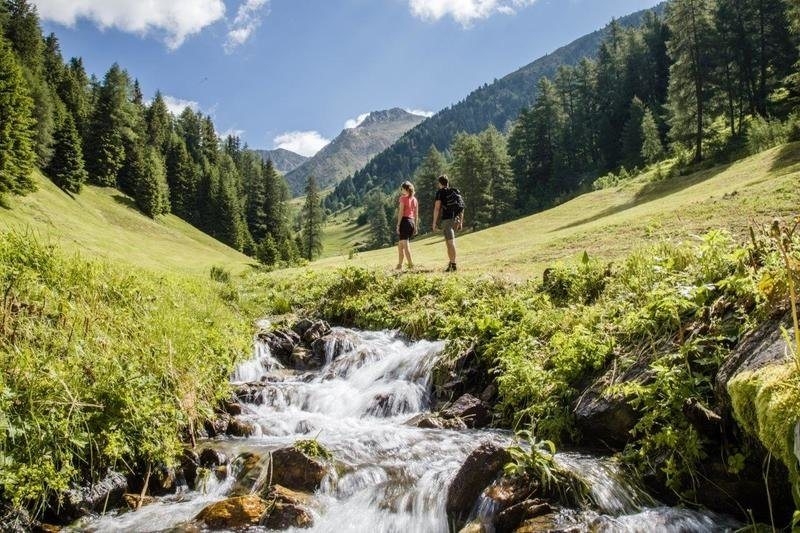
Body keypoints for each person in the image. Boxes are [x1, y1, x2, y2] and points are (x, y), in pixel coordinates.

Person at [432, 174, 463, 272]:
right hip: (455, 219)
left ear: (440, 183)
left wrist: (434, 223)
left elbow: (437, 208)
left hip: (447, 220)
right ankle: (451, 263)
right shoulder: (455, 191)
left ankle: (453, 265)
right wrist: (461, 221)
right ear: (447, 182)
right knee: (449, 242)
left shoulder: (440, 192)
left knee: (450, 242)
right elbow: (461, 207)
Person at [395, 180, 419, 270]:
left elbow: (401, 212)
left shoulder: (403, 198)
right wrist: (415, 226)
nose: (401, 191)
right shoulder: (415, 199)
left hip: (405, 222)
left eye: (402, 189)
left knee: (405, 245)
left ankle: (411, 265)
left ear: (406, 189)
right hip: (411, 222)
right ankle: (399, 265)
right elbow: (416, 214)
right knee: (400, 245)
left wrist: (398, 225)